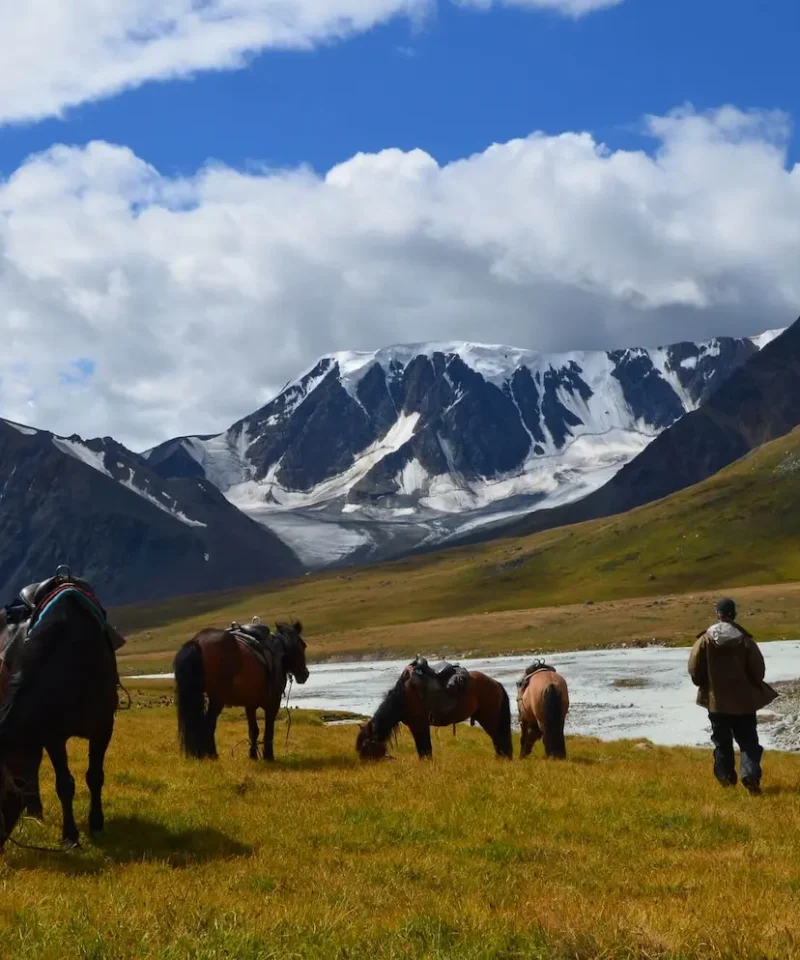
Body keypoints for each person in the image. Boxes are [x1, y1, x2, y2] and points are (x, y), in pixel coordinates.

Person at [688, 598, 777, 795]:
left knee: (722, 742)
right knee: (748, 741)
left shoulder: (705, 639)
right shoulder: (745, 640)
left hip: (716, 703)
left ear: (718, 614)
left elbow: (694, 669)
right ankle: (750, 776)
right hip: (744, 703)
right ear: (733, 614)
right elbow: (758, 671)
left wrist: (704, 684)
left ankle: (726, 780)